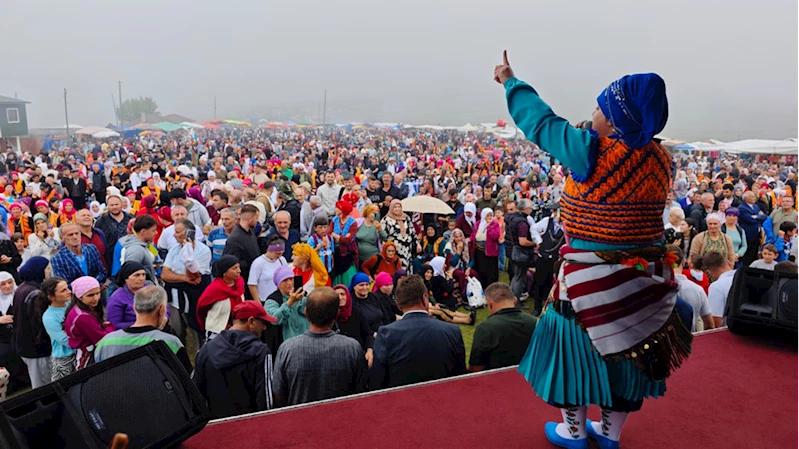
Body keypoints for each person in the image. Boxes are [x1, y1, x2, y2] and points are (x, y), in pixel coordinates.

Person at [499, 56, 691, 449]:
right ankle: (610, 433)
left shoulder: (590, 152)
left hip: (588, 279)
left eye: (598, 109)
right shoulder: (661, 158)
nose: (591, 115)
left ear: (617, 122)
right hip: (643, 280)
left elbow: (541, 123)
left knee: (570, 350)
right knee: (633, 351)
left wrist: (510, 82)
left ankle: (573, 430)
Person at [272, 287, 367, 407]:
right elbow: (361, 390)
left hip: (300, 421)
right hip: (343, 419)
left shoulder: (287, 349)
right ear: (337, 314)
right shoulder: (352, 348)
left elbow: (278, 393)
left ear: (306, 313)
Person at [370, 275, 466, 390]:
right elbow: (461, 377)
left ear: (398, 304)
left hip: (402, 403)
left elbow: (377, 382)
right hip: (443, 399)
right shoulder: (452, 331)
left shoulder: (386, 334)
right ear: (425, 298)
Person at [193, 300, 277, 417]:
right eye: (263, 322)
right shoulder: (261, 352)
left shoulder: (205, 350)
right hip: (250, 428)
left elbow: (195, 395)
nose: (264, 328)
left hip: (217, 428)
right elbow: (266, 402)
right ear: (251, 322)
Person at [95, 285, 192, 373]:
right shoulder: (171, 343)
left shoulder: (105, 342)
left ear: (134, 308)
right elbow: (188, 381)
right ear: (161, 309)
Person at [161, 219, 212, 345]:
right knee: (176, 332)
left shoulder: (203, 251)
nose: (174, 235)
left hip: (195, 298)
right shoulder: (173, 249)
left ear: (188, 233)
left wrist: (188, 252)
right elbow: (165, 274)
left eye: (177, 232)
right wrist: (184, 278)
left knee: (196, 333)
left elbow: (193, 274)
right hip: (175, 299)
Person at [468, 282, 537, 372]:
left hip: (495, 382)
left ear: (490, 304)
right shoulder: (534, 322)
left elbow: (475, 368)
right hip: (530, 378)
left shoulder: (485, 328)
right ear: (515, 300)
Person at [12, 257, 52, 388]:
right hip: (36, 349)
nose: (49, 271)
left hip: (26, 345)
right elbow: (37, 324)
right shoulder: (35, 293)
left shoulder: (22, 288)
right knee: (43, 385)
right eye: (47, 268)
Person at [64, 276, 114, 370]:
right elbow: (101, 338)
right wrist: (109, 326)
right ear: (79, 296)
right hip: (87, 356)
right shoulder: (82, 316)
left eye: (98, 293)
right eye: (90, 295)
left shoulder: (80, 309)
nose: (95, 298)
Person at [196, 255, 245, 340]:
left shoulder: (240, 283)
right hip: (217, 332)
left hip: (238, 330)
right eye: (234, 268)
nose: (239, 271)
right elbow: (201, 309)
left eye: (239, 267)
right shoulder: (215, 289)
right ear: (224, 272)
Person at [667, 246, 714, 333]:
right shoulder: (698, 290)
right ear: (683, 262)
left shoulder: (653, 287)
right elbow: (710, 325)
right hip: (689, 339)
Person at [40, 277, 76, 380]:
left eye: (67, 288)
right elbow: (65, 340)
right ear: (51, 297)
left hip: (79, 353)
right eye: (63, 290)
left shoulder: (71, 305)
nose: (69, 292)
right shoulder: (49, 317)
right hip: (64, 359)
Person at [222, 204, 261, 295]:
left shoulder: (250, 232)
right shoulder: (234, 238)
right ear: (249, 218)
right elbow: (229, 262)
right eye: (256, 217)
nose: (257, 220)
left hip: (253, 280)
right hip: (243, 284)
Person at [264, 265, 309, 342]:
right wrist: (290, 302)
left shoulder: (302, 295)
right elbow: (275, 319)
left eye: (291, 279)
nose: (290, 283)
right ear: (278, 284)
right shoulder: (272, 300)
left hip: (306, 341)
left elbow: (312, 312)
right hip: (285, 343)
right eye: (285, 280)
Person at [332, 284, 376, 363]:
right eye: (336, 295)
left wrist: (369, 351)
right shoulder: (329, 315)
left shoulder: (356, 312)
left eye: (343, 294)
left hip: (357, 354)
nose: (340, 297)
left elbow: (368, 334)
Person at [506, 199, 539, 301]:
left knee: (516, 276)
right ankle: (516, 300)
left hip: (515, 250)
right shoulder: (522, 222)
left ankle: (510, 298)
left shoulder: (513, 217)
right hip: (522, 252)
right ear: (525, 209)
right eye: (530, 208)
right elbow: (523, 241)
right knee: (520, 278)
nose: (531, 210)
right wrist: (535, 243)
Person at [106, 262, 152, 330]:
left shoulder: (150, 289)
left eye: (143, 274)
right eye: (137, 275)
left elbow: (164, 306)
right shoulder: (117, 298)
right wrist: (141, 324)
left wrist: (164, 317)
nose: (141, 278)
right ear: (126, 278)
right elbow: (114, 324)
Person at [696, 252, 735, 328]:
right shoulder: (745, 279)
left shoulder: (717, 286)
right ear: (728, 262)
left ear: (709, 272)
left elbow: (715, 322)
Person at [95, 193, 133, 270]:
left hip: (130, 254)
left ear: (121, 204)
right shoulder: (101, 221)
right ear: (107, 206)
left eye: (116, 204)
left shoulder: (131, 218)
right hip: (110, 257)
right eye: (112, 205)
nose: (114, 207)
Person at [248, 235, 289, 305]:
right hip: (264, 300)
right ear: (270, 250)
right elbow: (252, 284)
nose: (279, 256)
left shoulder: (282, 260)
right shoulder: (258, 263)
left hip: (280, 299)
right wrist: (258, 302)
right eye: (277, 253)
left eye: (282, 253)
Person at [118, 215, 159, 284]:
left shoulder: (144, 245)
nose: (156, 233)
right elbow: (131, 274)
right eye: (153, 230)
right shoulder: (136, 250)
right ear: (143, 231)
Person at [381, 200, 418, 272]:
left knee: (407, 269)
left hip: (407, 250)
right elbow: (383, 236)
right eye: (395, 207)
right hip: (394, 250)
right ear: (391, 208)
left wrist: (417, 243)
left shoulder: (406, 218)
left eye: (399, 207)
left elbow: (412, 231)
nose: (397, 209)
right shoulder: (385, 220)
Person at [330, 200, 359, 286]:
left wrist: (335, 236)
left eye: (338, 208)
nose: (335, 209)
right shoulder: (334, 220)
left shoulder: (353, 223)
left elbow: (348, 240)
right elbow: (328, 233)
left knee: (348, 278)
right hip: (336, 254)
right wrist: (341, 237)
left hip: (348, 254)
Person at [470, 207, 501, 289]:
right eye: (487, 216)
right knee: (481, 270)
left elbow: (495, 236)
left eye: (491, 215)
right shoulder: (478, 224)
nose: (489, 218)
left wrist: (489, 227)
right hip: (479, 250)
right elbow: (474, 234)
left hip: (490, 252)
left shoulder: (495, 224)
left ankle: (491, 288)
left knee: (491, 272)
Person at [738, 191, 768, 267]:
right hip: (748, 234)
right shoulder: (742, 208)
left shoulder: (756, 206)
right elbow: (750, 220)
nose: (754, 198)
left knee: (754, 253)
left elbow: (764, 216)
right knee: (748, 254)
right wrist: (758, 217)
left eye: (754, 196)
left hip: (757, 234)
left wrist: (756, 216)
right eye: (752, 197)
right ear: (746, 198)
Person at [75, 209, 108, 273]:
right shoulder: (73, 235)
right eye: (83, 215)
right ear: (77, 220)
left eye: (88, 215)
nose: (86, 217)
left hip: (102, 274)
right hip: (82, 275)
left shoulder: (99, 233)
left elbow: (106, 254)